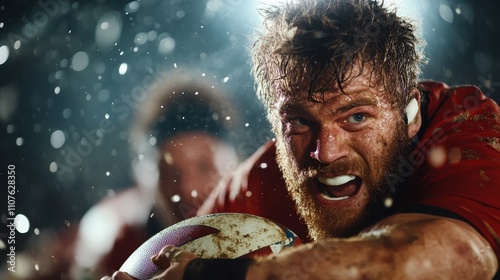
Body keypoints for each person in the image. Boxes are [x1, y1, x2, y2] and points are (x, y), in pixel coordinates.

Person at [105, 0, 500, 279]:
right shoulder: (252, 191)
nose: (324, 151)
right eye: (299, 122)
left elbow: (454, 257)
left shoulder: (466, 133)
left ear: (408, 112)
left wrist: (231, 277)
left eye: (356, 116)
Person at [10, 70, 240, 280]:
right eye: (169, 173)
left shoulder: (265, 219)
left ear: (234, 165)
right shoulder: (113, 240)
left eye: (204, 167)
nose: (188, 187)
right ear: (144, 177)